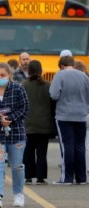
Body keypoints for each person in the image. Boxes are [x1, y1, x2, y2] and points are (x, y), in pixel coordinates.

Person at [0, 62, 29, 208]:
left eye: (2, 75)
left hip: (16, 132)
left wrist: (10, 120)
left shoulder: (18, 89)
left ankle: (18, 194)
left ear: (9, 75)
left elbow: (25, 108)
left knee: (16, 166)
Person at [49, 56, 89, 185]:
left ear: (61, 65)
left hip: (64, 116)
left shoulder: (59, 76)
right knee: (80, 146)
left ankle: (67, 178)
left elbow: (54, 95)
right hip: (81, 115)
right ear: (73, 64)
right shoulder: (84, 76)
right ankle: (82, 178)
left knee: (67, 146)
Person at [22, 60, 55, 185]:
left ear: (29, 71)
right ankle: (41, 177)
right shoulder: (48, 85)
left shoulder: (24, 85)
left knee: (29, 150)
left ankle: (28, 176)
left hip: (28, 124)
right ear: (41, 70)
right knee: (42, 151)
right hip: (44, 124)